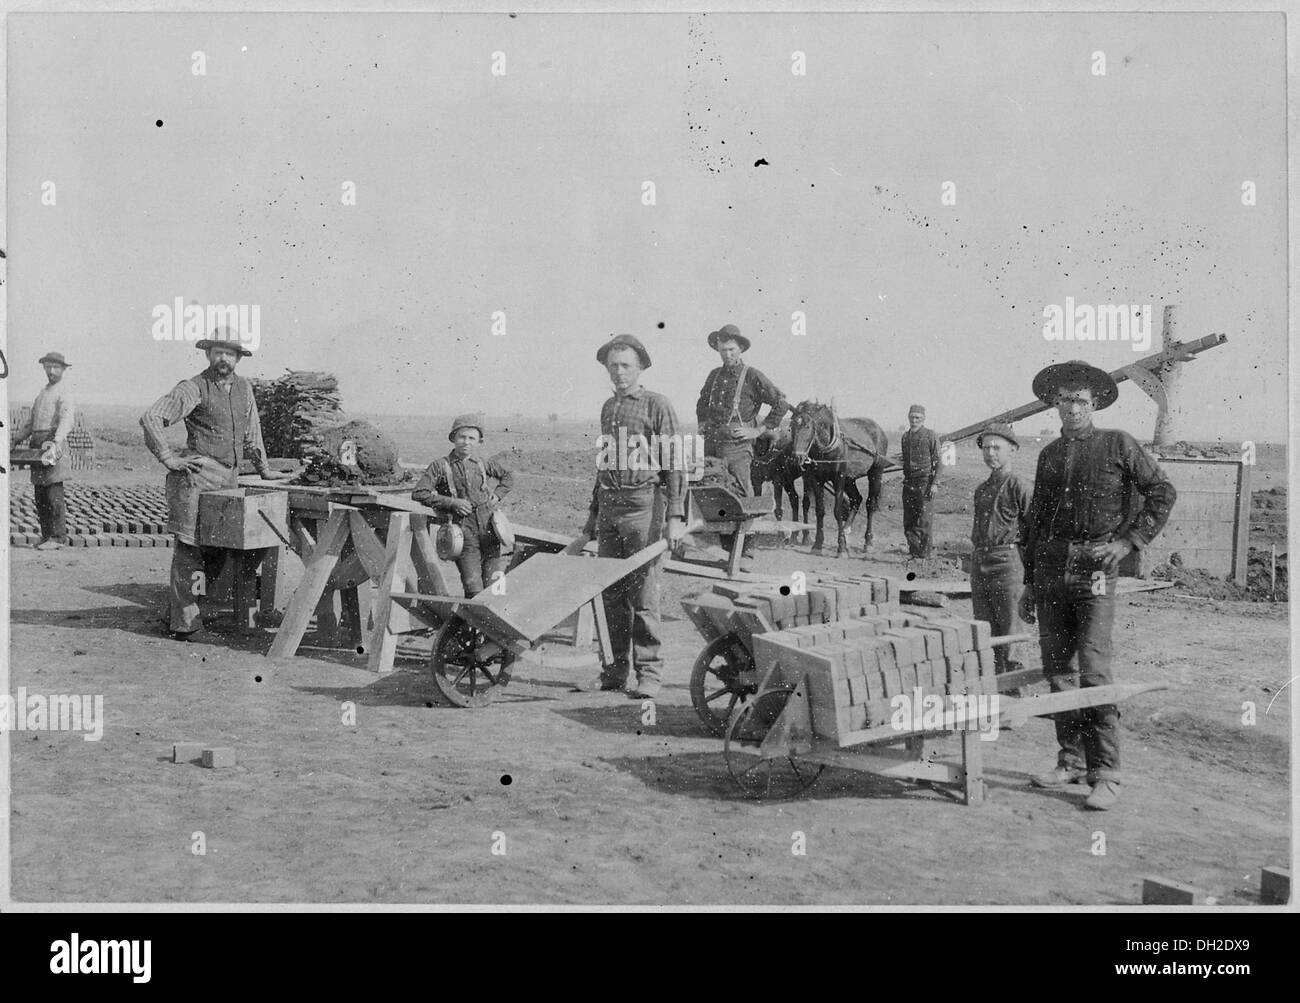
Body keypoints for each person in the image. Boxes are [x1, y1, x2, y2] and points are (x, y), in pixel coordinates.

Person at [1019, 360, 1176, 811]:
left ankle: (1106, 772)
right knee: (1059, 670)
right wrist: (1030, 581)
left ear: (1095, 404)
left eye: (1081, 401)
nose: (1073, 408)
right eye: (1065, 400)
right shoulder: (1049, 455)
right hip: (1050, 570)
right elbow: (1036, 524)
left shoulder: (1118, 444)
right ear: (1055, 404)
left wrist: (1130, 541)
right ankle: (1068, 761)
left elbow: (1162, 492)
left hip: (1096, 573)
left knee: (1094, 666)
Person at [140, 328, 291, 639]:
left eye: (230, 353)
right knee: (190, 551)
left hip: (228, 478)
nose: (224, 358)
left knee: (218, 551)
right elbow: (152, 417)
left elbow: (253, 432)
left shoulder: (243, 388)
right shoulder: (194, 388)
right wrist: (169, 458)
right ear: (208, 354)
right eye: (218, 352)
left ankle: (185, 613)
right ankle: (186, 626)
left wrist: (264, 469)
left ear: (238, 358)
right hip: (197, 479)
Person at [579, 334, 686, 699]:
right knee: (610, 595)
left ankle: (650, 674)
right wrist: (592, 519)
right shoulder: (608, 408)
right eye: (613, 365)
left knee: (643, 596)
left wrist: (675, 515)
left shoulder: (658, 405)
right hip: (611, 507)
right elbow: (604, 464)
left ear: (640, 367)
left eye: (626, 365)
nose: (619, 372)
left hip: (644, 506)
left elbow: (674, 462)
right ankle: (613, 671)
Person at [695, 323, 789, 564]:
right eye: (723, 350)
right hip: (712, 443)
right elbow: (701, 402)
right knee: (713, 489)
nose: (728, 354)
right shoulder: (714, 375)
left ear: (740, 349)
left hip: (737, 445)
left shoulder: (752, 376)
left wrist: (757, 430)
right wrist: (702, 422)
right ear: (717, 348)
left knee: (741, 492)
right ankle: (727, 546)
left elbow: (781, 403)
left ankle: (747, 546)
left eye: (732, 350)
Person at [412, 413, 515, 597]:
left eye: (471, 438)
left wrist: (497, 496)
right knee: (473, 587)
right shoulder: (440, 466)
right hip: (463, 533)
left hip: (490, 530)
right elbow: (420, 492)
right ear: (453, 438)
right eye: (462, 437)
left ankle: (485, 626)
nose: (466, 442)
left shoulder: (483, 463)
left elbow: (508, 477)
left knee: (495, 589)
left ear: (479, 442)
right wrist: (452, 503)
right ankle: (470, 625)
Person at [969, 423, 1031, 677]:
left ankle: (1016, 692)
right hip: (980, 561)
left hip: (1007, 562)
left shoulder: (1019, 485)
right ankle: (995, 689)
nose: (991, 453)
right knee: (985, 628)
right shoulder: (982, 489)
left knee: (1011, 630)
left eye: (997, 447)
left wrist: (1030, 573)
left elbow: (1034, 531)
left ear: (1013, 449)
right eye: (986, 448)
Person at [10, 352, 76, 549]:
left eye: (56, 367)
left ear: (63, 369)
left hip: (52, 443)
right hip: (37, 445)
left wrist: (56, 442)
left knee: (53, 493)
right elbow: (31, 422)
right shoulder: (42, 393)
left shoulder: (64, 391)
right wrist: (15, 439)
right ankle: (47, 535)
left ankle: (58, 538)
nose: (51, 371)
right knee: (40, 494)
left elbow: (67, 419)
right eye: (48, 367)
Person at [899, 404, 941, 558]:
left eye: (917, 418)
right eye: (912, 417)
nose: (914, 420)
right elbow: (904, 460)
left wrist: (935, 483)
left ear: (923, 419)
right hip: (909, 483)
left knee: (924, 521)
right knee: (909, 521)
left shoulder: (930, 435)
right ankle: (914, 552)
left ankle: (925, 555)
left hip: (925, 483)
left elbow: (938, 461)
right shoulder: (905, 437)